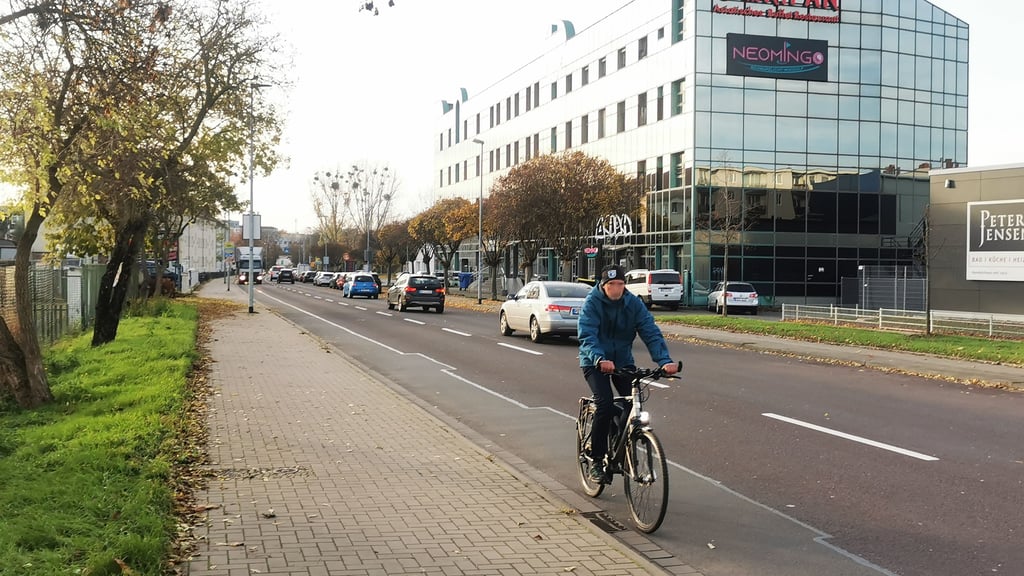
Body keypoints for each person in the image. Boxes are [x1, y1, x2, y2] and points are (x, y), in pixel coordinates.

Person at [577, 264, 679, 484]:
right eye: (611, 284)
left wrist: (665, 361)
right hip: (595, 362)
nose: (616, 289)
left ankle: (618, 442)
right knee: (604, 404)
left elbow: (650, 331)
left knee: (632, 406)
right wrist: (598, 358)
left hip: (623, 361)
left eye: (620, 284)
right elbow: (587, 334)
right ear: (603, 285)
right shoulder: (592, 303)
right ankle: (596, 460)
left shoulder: (632, 304)